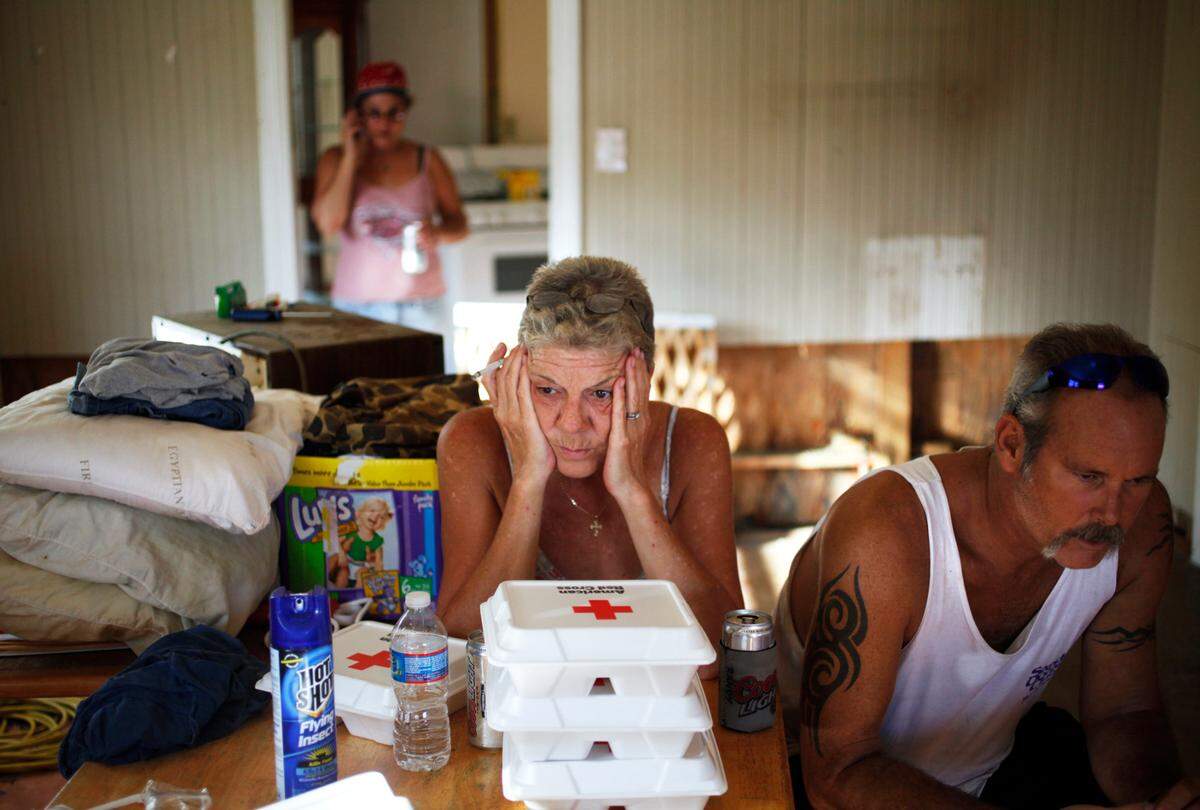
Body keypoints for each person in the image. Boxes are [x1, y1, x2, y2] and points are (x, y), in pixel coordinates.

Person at [776, 323, 1198, 808]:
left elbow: (1125, 712)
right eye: (1089, 477)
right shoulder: (888, 533)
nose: (1114, 513)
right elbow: (837, 775)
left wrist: (1160, 800)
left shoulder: (1144, 528)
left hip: (989, 773)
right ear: (1012, 445)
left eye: (1139, 480)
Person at [435, 257, 743, 663]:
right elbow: (459, 646)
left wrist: (633, 490)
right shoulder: (471, 442)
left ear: (643, 380)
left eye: (601, 394)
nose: (572, 424)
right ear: (516, 375)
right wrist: (528, 477)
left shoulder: (693, 442)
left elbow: (727, 649)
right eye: (547, 390)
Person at [311, 61, 468, 370]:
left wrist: (437, 234)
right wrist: (350, 158)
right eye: (374, 113)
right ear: (357, 116)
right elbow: (328, 223)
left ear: (406, 112)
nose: (384, 123)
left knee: (428, 400)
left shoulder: (428, 159)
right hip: (358, 309)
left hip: (421, 305)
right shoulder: (335, 159)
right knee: (361, 401)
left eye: (395, 113)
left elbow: (459, 223)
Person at [328, 497, 393, 589]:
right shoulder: (351, 531)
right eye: (372, 511)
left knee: (363, 573)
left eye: (381, 517)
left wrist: (378, 573)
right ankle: (334, 589)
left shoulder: (377, 541)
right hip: (345, 562)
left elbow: (379, 563)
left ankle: (358, 593)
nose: (375, 517)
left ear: (383, 524)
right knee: (338, 564)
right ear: (360, 513)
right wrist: (342, 554)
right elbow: (336, 541)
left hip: (362, 566)